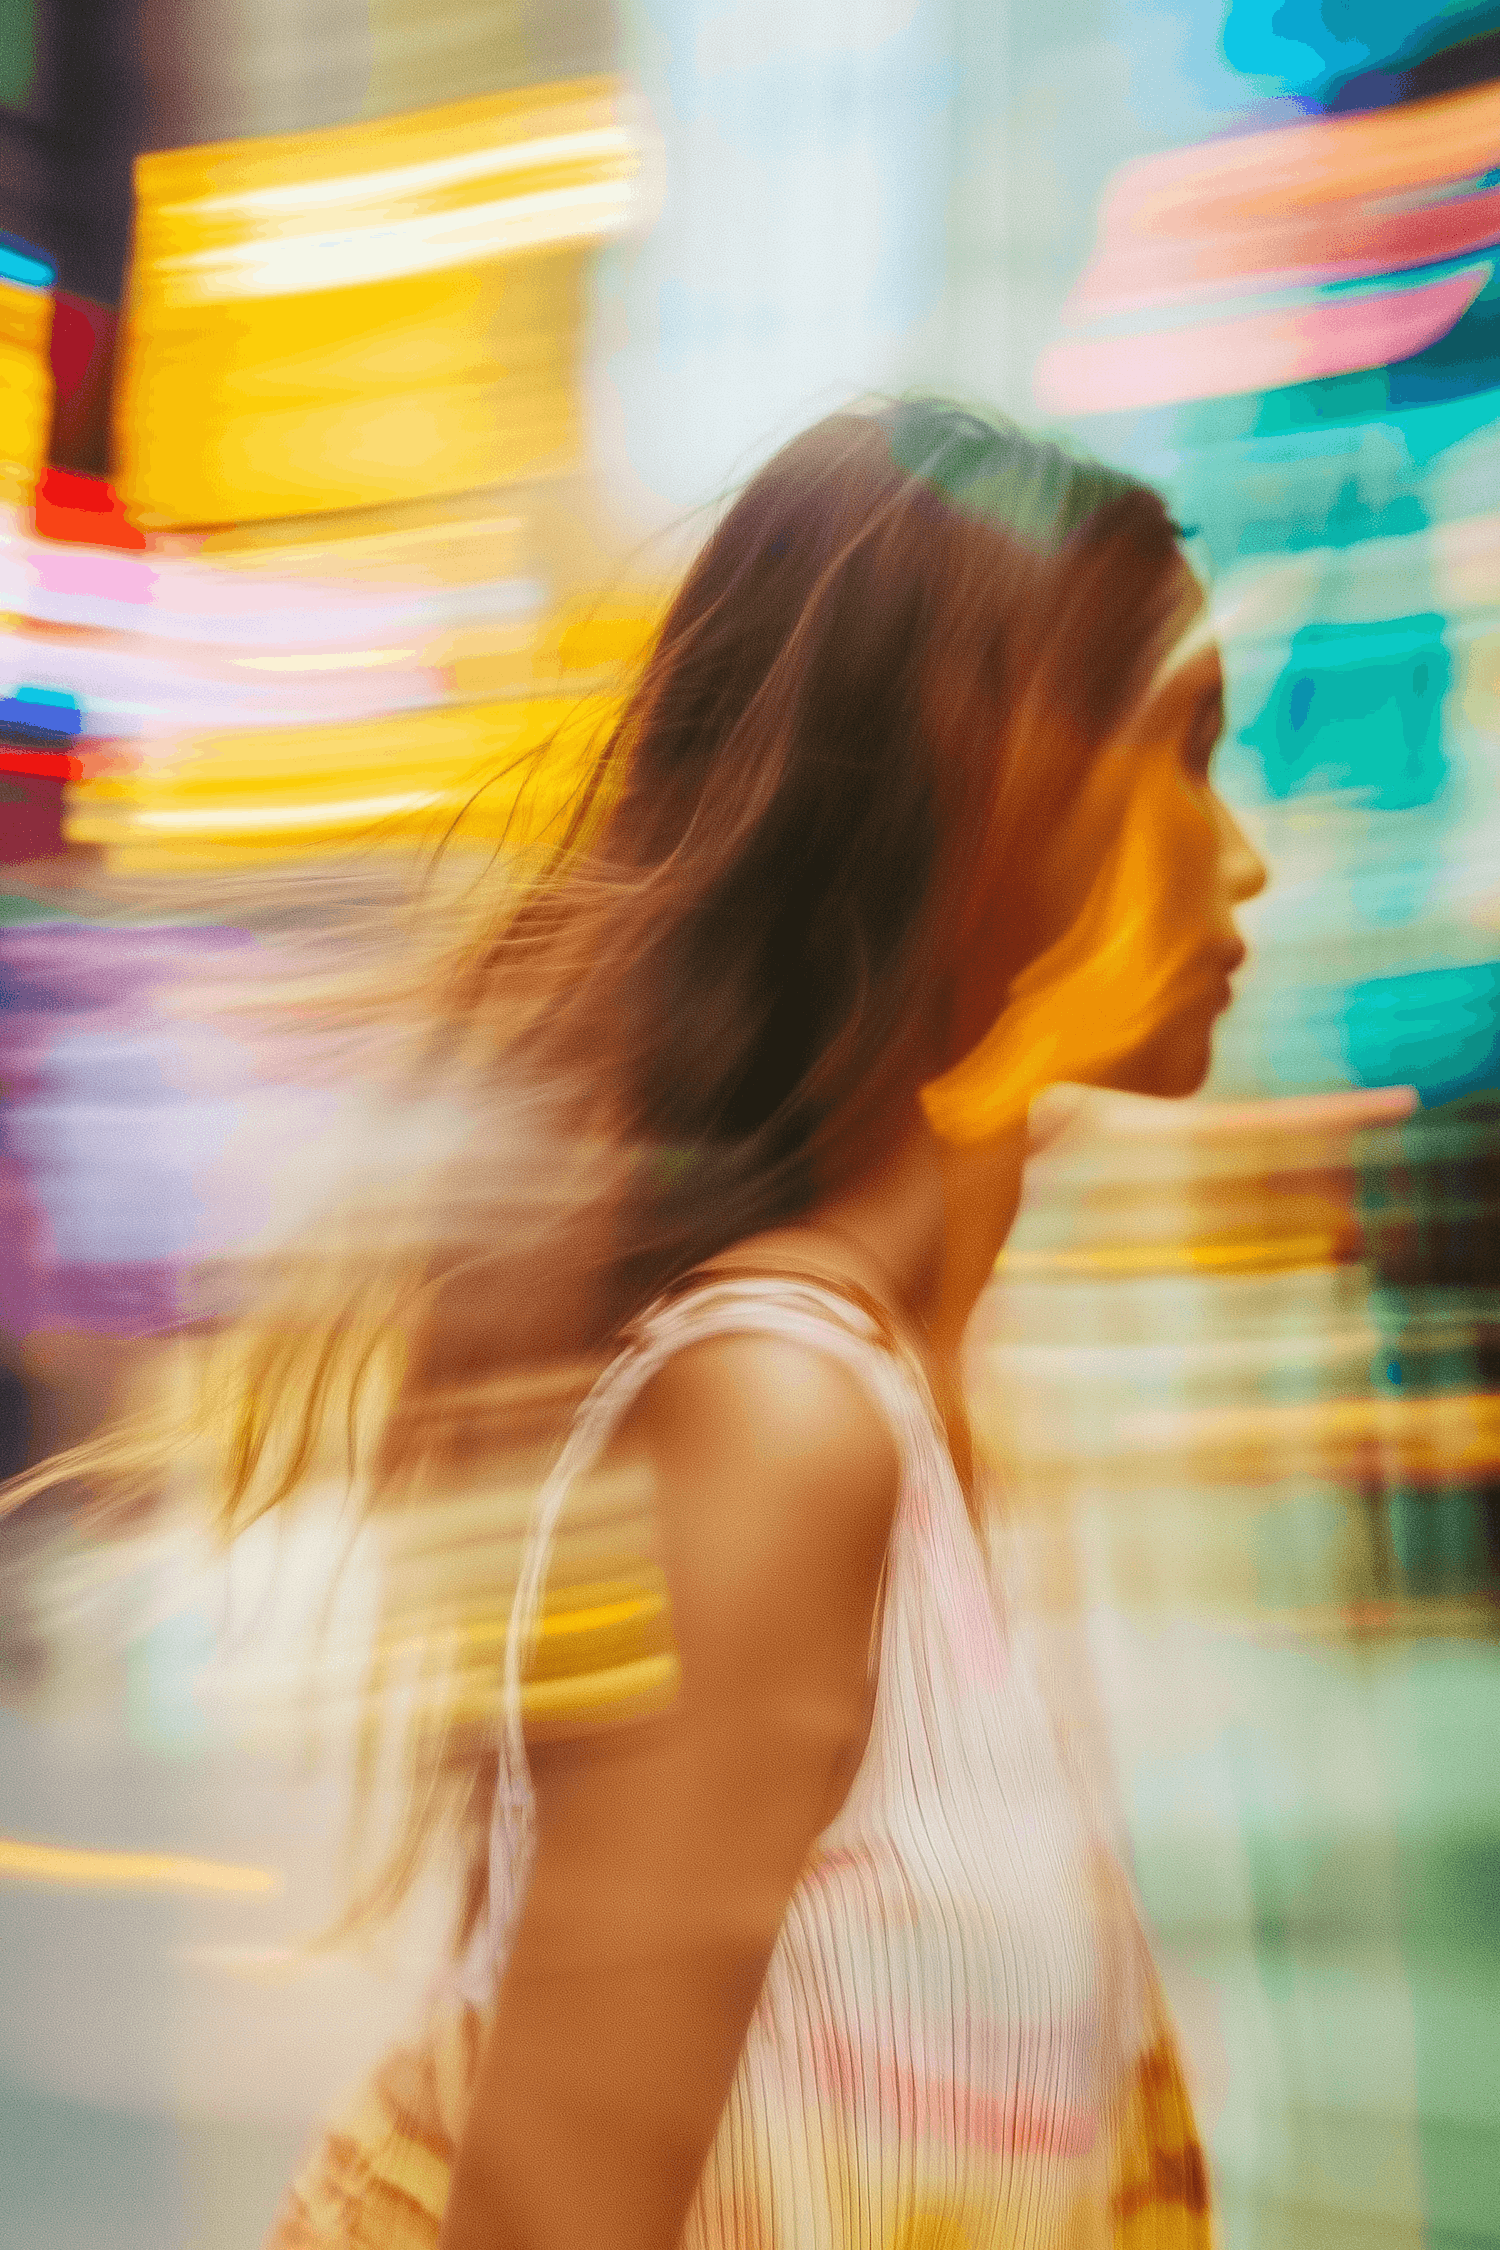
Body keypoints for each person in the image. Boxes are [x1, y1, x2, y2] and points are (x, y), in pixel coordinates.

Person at [96, 398, 1271, 2248]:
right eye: (1188, 751)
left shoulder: (908, 1399)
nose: (1244, 855)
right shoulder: (776, 1420)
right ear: (998, 792)